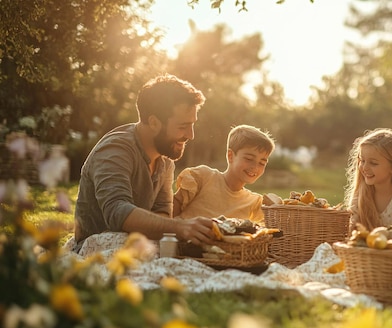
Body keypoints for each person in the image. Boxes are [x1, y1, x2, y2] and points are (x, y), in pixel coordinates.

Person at [73, 74, 217, 252]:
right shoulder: (114, 150)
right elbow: (117, 211)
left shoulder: (165, 159)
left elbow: (162, 213)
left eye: (192, 125)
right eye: (182, 126)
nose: (190, 135)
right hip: (98, 247)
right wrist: (181, 227)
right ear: (154, 122)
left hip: (139, 246)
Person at [173, 124, 275, 224]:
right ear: (230, 156)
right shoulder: (203, 177)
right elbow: (169, 213)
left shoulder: (254, 202)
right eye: (249, 159)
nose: (255, 167)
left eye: (262, 163)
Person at [344, 128, 392, 231]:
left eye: (373, 163)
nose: (364, 167)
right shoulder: (360, 196)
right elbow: (349, 230)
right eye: (362, 160)